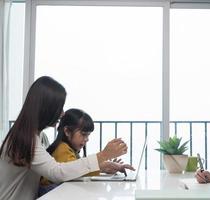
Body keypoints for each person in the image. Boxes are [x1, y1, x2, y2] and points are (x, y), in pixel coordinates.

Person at [0, 76, 132, 200]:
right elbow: (57, 172)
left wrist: (101, 166)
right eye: (59, 107)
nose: (62, 113)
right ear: (46, 108)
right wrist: (103, 155)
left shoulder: (36, 136)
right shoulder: (24, 140)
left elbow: (58, 170)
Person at [39, 108, 132, 196]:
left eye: (88, 135)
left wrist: (104, 167)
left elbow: (77, 170)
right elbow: (72, 173)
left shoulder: (68, 148)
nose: (87, 139)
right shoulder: (62, 149)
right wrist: (104, 163)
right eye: (83, 134)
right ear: (67, 131)